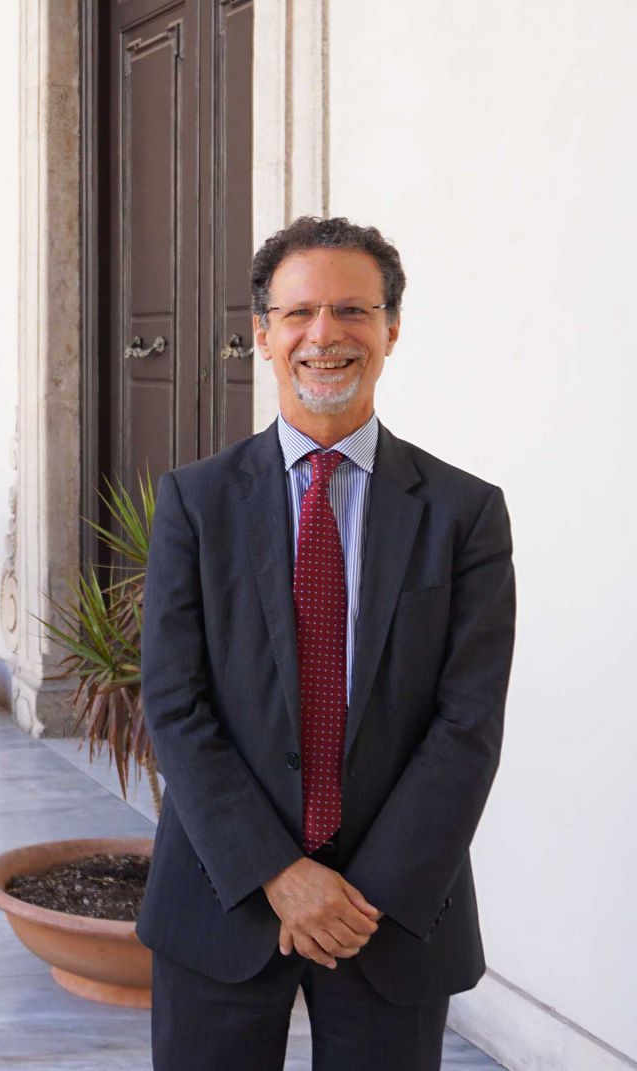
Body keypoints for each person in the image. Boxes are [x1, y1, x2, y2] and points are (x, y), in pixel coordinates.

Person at [137, 216, 515, 1070]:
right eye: (299, 312)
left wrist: (353, 901)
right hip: (222, 893)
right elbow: (175, 702)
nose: (325, 334)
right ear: (263, 332)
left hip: (391, 911)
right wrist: (278, 873)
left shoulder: (465, 515)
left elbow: (468, 725)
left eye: (352, 309)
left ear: (392, 329)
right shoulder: (195, 503)